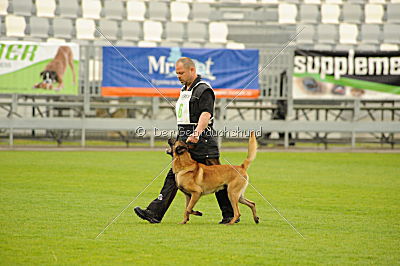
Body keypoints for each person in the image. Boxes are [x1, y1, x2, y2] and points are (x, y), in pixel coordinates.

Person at [134, 57, 237, 224]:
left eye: (181, 73)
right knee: (173, 176)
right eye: (177, 73)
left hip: (202, 141)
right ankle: (154, 212)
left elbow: (206, 114)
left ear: (192, 70)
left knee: (218, 177)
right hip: (185, 140)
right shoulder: (185, 89)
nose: (178, 76)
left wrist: (196, 133)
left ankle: (230, 214)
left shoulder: (203, 90)